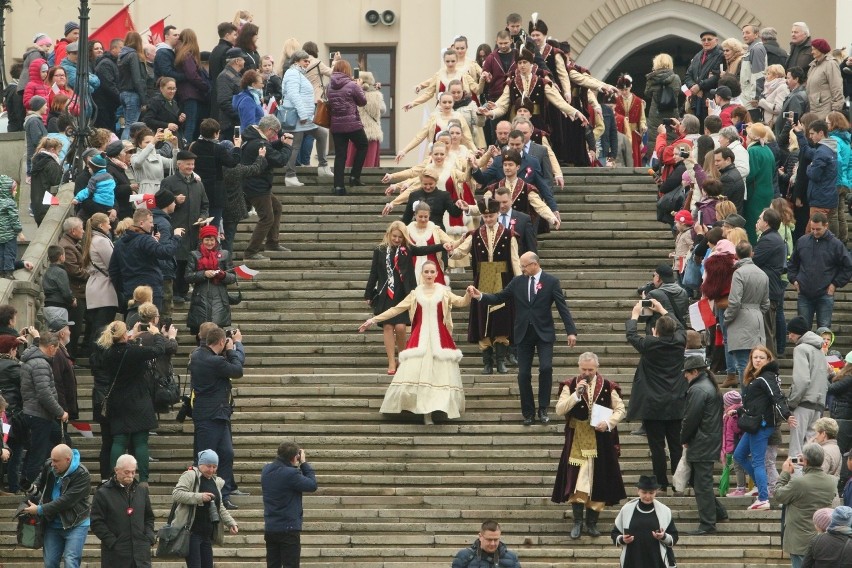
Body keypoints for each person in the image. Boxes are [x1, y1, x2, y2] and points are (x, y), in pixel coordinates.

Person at [470, 252, 578, 425]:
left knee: (545, 368)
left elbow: (562, 307)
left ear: (534, 264)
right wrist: (480, 296)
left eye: (524, 265)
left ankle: (543, 409)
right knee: (524, 374)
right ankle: (528, 413)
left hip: (544, 333)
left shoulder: (551, 282)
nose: (521, 268)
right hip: (523, 334)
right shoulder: (517, 281)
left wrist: (571, 331)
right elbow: (499, 297)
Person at [359, 261, 472, 424]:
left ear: (436, 274)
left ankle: (437, 408)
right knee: (418, 374)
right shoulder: (415, 294)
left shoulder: (444, 292)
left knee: (439, 375)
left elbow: (462, 302)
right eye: (426, 271)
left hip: (440, 338)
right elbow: (396, 309)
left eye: (432, 272)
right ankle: (424, 412)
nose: (429, 275)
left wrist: (469, 293)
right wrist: (373, 320)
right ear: (422, 273)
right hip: (420, 338)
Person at [551, 352, 626, 539]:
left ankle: (592, 522)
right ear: (579, 367)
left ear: (597, 368)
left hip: (601, 440)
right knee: (578, 480)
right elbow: (559, 410)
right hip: (577, 438)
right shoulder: (570, 385)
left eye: (590, 370)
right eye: (584, 369)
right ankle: (577, 522)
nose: (587, 373)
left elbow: (620, 409)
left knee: (599, 478)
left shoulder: (608, 386)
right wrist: (576, 394)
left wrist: (609, 423)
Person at [364, 221, 448, 375]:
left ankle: (403, 358)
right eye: (394, 236)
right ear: (389, 234)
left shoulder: (407, 250)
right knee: (388, 327)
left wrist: (442, 246)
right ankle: (391, 361)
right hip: (385, 295)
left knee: (401, 327)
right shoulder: (380, 250)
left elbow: (424, 249)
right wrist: (368, 293)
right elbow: (373, 273)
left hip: (403, 294)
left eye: (400, 237)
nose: (397, 240)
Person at [451, 196, 520, 374]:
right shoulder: (475, 235)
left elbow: (515, 260)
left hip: (502, 277)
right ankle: (487, 363)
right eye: (485, 216)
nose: (488, 219)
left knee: (501, 318)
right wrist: (450, 251)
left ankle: (500, 361)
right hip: (483, 278)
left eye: (491, 216)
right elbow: (461, 252)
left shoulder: (508, 234)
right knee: (484, 319)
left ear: (498, 214)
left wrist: (520, 281)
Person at [625, 299, 686, 492]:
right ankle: (678, 482)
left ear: (655, 331)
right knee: (676, 445)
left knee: (657, 447)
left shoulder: (649, 345)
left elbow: (631, 335)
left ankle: (661, 482)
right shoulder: (680, 342)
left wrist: (634, 315)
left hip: (652, 405)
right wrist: (663, 310)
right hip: (676, 402)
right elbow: (681, 328)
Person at [97, 320, 167, 485]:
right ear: (123, 335)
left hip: (118, 400)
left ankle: (115, 478)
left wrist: (132, 338)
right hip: (139, 399)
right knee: (141, 441)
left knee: (119, 440)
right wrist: (157, 334)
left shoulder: (107, 354)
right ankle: (143, 479)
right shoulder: (134, 351)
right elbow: (159, 349)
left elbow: (123, 352)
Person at [733, 345, 796, 510]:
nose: (758, 360)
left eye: (761, 357)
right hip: (754, 423)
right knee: (739, 455)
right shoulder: (757, 376)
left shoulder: (766, 376)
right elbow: (756, 403)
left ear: (768, 360)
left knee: (758, 462)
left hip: (761, 425)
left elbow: (777, 396)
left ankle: (763, 498)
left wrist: (787, 414)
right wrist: (738, 410)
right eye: (755, 357)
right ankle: (763, 487)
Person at [190, 326, 245, 509]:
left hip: (219, 415)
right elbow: (237, 370)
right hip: (209, 416)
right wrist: (235, 347)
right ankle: (203, 494)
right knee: (205, 458)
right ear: (221, 342)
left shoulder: (198, 354)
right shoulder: (214, 361)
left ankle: (224, 494)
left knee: (226, 454)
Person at [680, 355, 729, 535]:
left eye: (686, 373)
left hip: (701, 442)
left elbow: (690, 419)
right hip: (709, 440)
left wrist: (683, 438)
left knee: (702, 484)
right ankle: (719, 512)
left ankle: (708, 524)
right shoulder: (708, 386)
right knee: (699, 481)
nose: (685, 376)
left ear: (694, 372)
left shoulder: (698, 390)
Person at [21, 443, 90, 568]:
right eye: (51, 460)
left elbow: (66, 501)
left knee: (71, 561)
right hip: (52, 523)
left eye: (56, 461)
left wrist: (40, 509)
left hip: (76, 523)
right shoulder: (49, 465)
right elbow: (40, 480)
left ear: (68, 460)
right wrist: (32, 488)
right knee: (50, 563)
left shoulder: (82, 474)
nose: (52, 464)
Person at [171, 450, 239, 568]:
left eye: (214, 467)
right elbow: (176, 494)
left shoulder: (215, 481)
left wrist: (230, 522)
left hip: (206, 535)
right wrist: (199, 497)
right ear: (200, 464)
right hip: (191, 533)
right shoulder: (190, 475)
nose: (211, 470)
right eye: (208, 466)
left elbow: (220, 506)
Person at [776, 443, 840, 568]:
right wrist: (807, 465)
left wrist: (784, 473)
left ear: (805, 460)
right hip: (821, 538)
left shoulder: (799, 483)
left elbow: (779, 495)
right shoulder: (832, 482)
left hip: (800, 541)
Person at [109, 207, 185, 311]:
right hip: (150, 291)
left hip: (130, 292)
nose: (152, 225)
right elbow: (165, 252)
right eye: (150, 222)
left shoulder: (120, 243)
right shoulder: (145, 240)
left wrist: (124, 288)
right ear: (141, 223)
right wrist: (176, 236)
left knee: (133, 324)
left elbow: (113, 270)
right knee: (150, 324)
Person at [240, 114, 293, 260]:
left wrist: (280, 143)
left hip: (258, 184)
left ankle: (272, 242)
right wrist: (287, 146)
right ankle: (251, 252)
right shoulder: (259, 143)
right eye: (276, 133)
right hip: (257, 186)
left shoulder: (254, 137)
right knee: (267, 218)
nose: (275, 136)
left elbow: (268, 147)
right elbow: (280, 160)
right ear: (269, 129)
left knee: (276, 207)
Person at [162, 150, 210, 304]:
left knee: (189, 261)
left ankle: (183, 290)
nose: (191, 167)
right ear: (179, 164)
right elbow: (161, 202)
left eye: (192, 164)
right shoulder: (169, 182)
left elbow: (205, 205)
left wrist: (203, 218)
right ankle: (175, 291)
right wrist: (175, 200)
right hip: (176, 229)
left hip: (193, 230)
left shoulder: (198, 184)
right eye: (188, 164)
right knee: (177, 261)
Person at [90, 454, 155, 568]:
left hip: (141, 554)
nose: (130, 476)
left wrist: (148, 537)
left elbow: (149, 517)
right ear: (116, 470)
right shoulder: (103, 493)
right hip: (116, 555)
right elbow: (96, 522)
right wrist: (113, 542)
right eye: (126, 472)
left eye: (133, 472)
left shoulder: (141, 490)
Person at [788, 212, 852, 328]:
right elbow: (792, 263)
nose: (815, 232)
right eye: (812, 229)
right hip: (804, 293)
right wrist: (794, 280)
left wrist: (835, 284)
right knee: (803, 330)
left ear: (826, 226)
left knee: (824, 331)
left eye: (818, 229)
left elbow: (847, 266)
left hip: (825, 294)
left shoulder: (836, 244)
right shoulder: (802, 241)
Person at [19, 331, 66, 488]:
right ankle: (30, 484)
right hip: (39, 414)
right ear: (51, 347)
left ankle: (29, 479)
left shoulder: (32, 359)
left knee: (52, 438)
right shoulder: (41, 364)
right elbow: (44, 394)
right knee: (38, 452)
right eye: (57, 348)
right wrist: (60, 412)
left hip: (33, 412)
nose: (57, 352)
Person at [261, 442, 318, 568]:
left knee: (272, 564)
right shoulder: (291, 474)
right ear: (294, 457)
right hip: (288, 529)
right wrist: (303, 463)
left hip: (271, 527)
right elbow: (312, 485)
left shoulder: (266, 470)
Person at [724, 240, 770, 384]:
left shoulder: (739, 273)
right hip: (757, 320)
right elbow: (766, 303)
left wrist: (727, 318)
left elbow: (735, 301)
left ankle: (746, 401)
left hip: (741, 320)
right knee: (757, 364)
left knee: (743, 365)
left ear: (736, 255)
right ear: (751, 254)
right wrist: (756, 312)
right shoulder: (763, 274)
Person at [786, 316, 830, 460]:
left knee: (796, 449)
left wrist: (792, 402)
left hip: (803, 403)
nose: (789, 336)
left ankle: (796, 481)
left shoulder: (800, 349)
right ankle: (811, 478)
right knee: (811, 449)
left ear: (797, 332)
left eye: (791, 332)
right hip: (818, 405)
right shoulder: (820, 351)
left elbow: (802, 380)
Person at [611, 475, 679, 568]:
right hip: (632, 560)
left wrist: (663, 536)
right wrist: (622, 539)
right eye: (644, 492)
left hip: (657, 561)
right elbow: (615, 533)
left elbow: (674, 537)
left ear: (656, 492)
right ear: (638, 491)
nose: (647, 496)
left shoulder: (665, 511)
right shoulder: (626, 509)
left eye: (651, 493)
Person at [186, 225, 238, 336]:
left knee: (217, 330)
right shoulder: (195, 255)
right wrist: (203, 274)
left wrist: (223, 274)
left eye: (212, 240)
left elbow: (233, 277)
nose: (209, 243)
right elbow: (188, 276)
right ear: (202, 240)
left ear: (216, 240)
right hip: (200, 297)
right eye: (207, 240)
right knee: (200, 330)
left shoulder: (224, 254)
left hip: (219, 297)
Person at [327, 59, 367, 196]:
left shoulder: (329, 86)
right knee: (363, 145)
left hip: (336, 126)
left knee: (340, 155)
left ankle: (338, 186)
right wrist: (359, 86)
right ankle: (354, 176)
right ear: (347, 70)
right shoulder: (352, 85)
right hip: (352, 123)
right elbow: (363, 102)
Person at [280, 50, 317, 186]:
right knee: (295, 145)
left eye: (308, 61)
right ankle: (290, 175)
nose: (307, 63)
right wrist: (303, 114)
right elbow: (294, 95)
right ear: (296, 61)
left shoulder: (299, 74)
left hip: (303, 116)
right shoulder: (293, 73)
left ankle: (323, 166)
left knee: (321, 134)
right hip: (297, 116)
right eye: (305, 61)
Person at [175, 29, 210, 143]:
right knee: (190, 124)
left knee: (188, 123)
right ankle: (186, 147)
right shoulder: (187, 55)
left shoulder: (180, 54)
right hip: (191, 94)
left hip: (185, 94)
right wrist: (205, 86)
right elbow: (192, 74)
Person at [685, 30, 724, 125]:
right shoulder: (698, 56)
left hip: (711, 99)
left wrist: (700, 86)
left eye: (709, 39)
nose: (706, 42)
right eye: (703, 40)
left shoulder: (720, 55)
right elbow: (688, 75)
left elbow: (717, 76)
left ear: (716, 40)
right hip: (696, 100)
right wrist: (694, 87)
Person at [348, 70, 385, 168]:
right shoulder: (377, 95)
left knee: (353, 159)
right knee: (369, 161)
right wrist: (377, 92)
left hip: (356, 130)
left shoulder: (352, 95)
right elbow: (383, 110)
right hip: (372, 132)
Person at [118, 32, 149, 140]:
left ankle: (124, 149)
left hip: (123, 93)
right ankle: (124, 150)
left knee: (128, 124)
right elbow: (137, 79)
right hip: (133, 94)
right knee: (131, 126)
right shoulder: (134, 55)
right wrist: (143, 99)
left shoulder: (122, 56)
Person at [452, 520, 520, 568]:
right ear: (480, 536)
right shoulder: (464, 556)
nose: (493, 543)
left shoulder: (512, 558)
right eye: (489, 539)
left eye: (496, 539)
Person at [807, 39, 844, 119]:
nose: (812, 52)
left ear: (821, 49)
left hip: (826, 111)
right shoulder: (813, 66)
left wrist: (836, 109)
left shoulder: (831, 64)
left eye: (814, 49)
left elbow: (837, 87)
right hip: (814, 110)